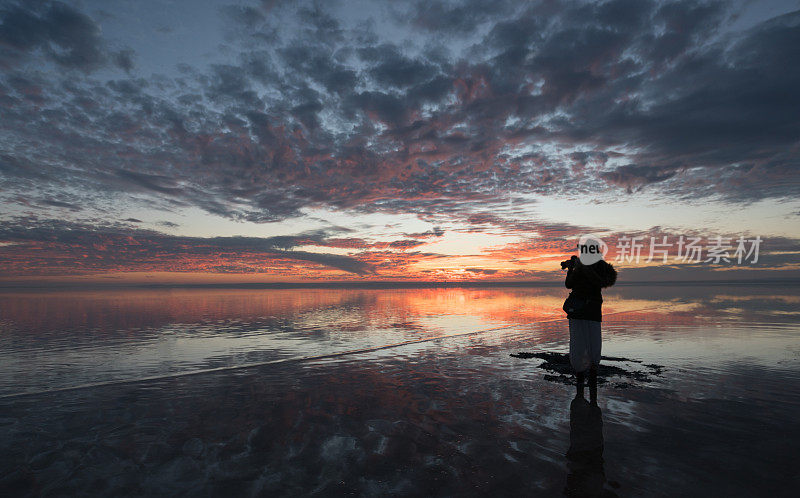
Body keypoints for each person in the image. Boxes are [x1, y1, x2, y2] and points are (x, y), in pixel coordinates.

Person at [563, 255, 617, 402]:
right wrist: (571, 268)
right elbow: (569, 284)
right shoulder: (585, 266)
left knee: (589, 346)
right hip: (580, 312)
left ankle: (590, 383)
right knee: (580, 346)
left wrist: (580, 267)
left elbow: (599, 281)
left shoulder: (599, 267)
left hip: (589, 312)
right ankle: (583, 383)